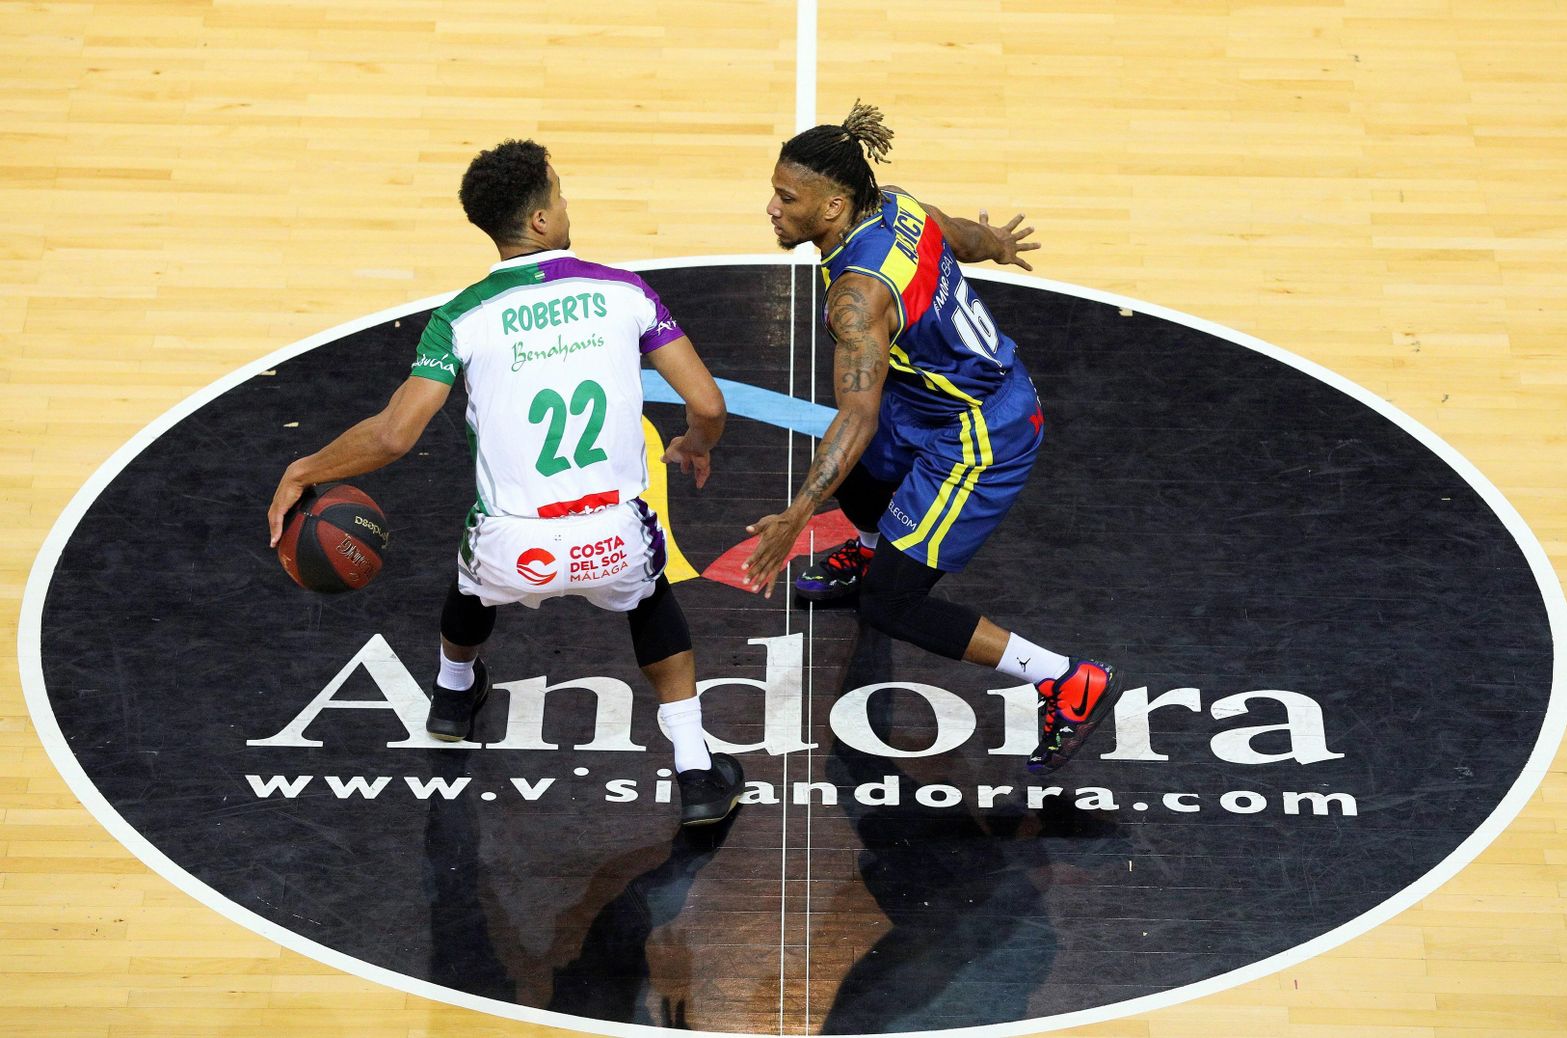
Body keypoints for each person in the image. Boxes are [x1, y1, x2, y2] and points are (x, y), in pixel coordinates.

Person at [267, 140, 742, 826]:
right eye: (561, 193)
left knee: (469, 574)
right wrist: (696, 444)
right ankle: (696, 770)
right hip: (612, 539)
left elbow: (395, 434)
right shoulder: (624, 290)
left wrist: (302, 468)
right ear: (544, 220)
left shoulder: (459, 317)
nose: (567, 203)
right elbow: (708, 405)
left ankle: (454, 694)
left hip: (512, 550)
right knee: (651, 596)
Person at [743, 102, 1124, 774]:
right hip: (924, 400)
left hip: (979, 433)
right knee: (858, 475)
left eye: (785, 197)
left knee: (893, 602)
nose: (771, 208)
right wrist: (996, 245)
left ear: (832, 206)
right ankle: (867, 550)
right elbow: (957, 236)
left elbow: (855, 416)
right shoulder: (896, 205)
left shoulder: (857, 297)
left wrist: (798, 516)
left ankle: (1062, 678)